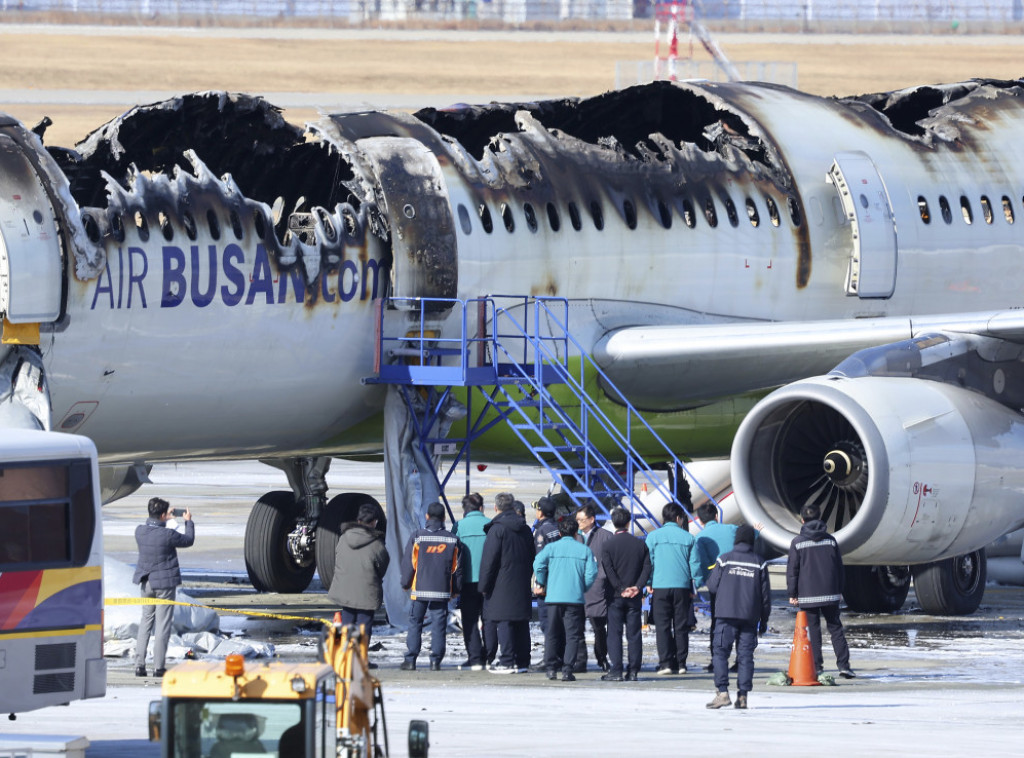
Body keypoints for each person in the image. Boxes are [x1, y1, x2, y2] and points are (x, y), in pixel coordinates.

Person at [705, 524, 771, 709]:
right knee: (745, 656)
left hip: (725, 615)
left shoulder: (724, 559)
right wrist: (764, 621)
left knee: (720, 653)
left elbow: (712, 586)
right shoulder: (759, 562)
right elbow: (766, 596)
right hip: (750, 617)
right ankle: (743, 696)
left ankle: (723, 692)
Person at [787, 504, 855, 679]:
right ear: (820, 519)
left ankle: (817, 667)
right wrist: (839, 590)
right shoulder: (831, 540)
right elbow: (839, 568)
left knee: (813, 632)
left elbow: (793, 570)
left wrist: (792, 594)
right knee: (836, 629)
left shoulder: (797, 543)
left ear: (802, 520)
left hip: (808, 595)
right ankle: (844, 666)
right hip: (830, 593)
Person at [133, 496, 195, 678]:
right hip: (165, 584)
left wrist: (163, 519)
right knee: (162, 626)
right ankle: (158, 667)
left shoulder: (140, 531)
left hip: (146, 582)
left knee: (145, 623)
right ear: (162, 515)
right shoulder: (168, 535)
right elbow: (188, 540)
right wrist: (187, 522)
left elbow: (153, 529)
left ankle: (139, 665)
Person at [533, 516, 597, 682]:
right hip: (574, 599)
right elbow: (592, 573)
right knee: (572, 635)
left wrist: (543, 581)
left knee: (552, 633)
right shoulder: (584, 550)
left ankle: (551, 668)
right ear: (576, 532)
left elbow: (538, 564)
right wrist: (582, 587)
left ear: (560, 532)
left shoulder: (551, 548)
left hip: (553, 597)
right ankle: (568, 670)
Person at [400, 502, 462, 671]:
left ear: (427, 516)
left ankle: (411, 659)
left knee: (415, 622)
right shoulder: (452, 539)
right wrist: (455, 590)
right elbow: (456, 568)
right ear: (443, 518)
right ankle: (435, 661)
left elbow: (409, 563)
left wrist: (405, 583)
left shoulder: (418, 537)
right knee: (439, 624)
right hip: (441, 590)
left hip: (420, 589)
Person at [479, 493, 535, 674]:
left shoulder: (497, 529)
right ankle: (523, 661)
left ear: (496, 508)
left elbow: (489, 561)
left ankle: (507, 660)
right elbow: (532, 556)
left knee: (504, 621)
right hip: (521, 581)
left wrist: (484, 586)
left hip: (501, 583)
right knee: (521, 622)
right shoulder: (525, 529)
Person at [645, 501, 703, 675]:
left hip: (660, 586)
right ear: (678, 518)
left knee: (662, 626)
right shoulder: (689, 538)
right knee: (680, 626)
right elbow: (695, 565)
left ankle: (666, 664)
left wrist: (648, 583)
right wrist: (696, 586)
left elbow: (649, 563)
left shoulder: (653, 537)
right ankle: (681, 663)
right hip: (682, 587)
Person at [327, 502, 390, 650]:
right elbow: (383, 567)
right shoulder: (377, 545)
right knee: (364, 626)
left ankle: (346, 657)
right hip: (366, 592)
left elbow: (338, 558)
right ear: (374, 522)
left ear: (359, 520)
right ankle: (360, 659)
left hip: (345, 589)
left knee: (347, 622)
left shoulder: (343, 538)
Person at [599, 507, 652, 682]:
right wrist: (637, 587)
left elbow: (609, 570)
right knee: (634, 634)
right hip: (634, 596)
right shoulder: (639, 544)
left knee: (614, 633)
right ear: (629, 523)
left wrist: (620, 588)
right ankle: (633, 670)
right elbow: (647, 568)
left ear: (613, 523)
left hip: (615, 596)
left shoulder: (607, 545)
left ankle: (616, 670)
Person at [694, 502, 739, 671]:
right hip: (738, 581)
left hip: (718, 586)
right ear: (716, 516)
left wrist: (704, 582)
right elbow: (752, 535)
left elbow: (703, 563)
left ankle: (717, 660)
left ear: (699, 520)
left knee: (718, 622)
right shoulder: (732, 529)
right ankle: (741, 660)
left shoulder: (701, 537)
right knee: (739, 620)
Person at [453, 492, 492, 671]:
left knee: (469, 620)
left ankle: (475, 658)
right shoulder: (490, 525)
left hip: (467, 580)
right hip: (489, 580)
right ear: (481, 508)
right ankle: (491, 656)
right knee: (489, 620)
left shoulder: (459, 526)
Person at [575, 502, 612, 673]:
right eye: (577, 520)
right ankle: (580, 660)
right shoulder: (575, 537)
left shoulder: (605, 536)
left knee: (599, 627)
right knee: (577, 627)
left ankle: (602, 657)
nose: (579, 523)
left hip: (598, 588)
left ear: (591, 519)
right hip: (577, 589)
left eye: (581, 520)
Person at [532, 496, 561, 635]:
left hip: (546, 585)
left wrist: (540, 584)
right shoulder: (557, 528)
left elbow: (540, 560)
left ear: (541, 512)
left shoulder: (542, 531)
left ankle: (551, 655)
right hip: (558, 581)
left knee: (546, 622)